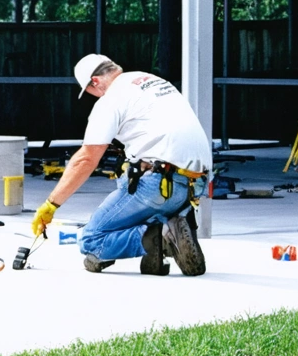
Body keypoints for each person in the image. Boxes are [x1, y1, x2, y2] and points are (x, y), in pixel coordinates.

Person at [31, 54, 210, 276]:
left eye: (88, 91)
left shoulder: (111, 99)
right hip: (196, 184)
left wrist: (51, 205)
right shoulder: (154, 81)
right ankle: (173, 225)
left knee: (91, 240)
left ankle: (160, 236)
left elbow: (86, 159)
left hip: (158, 185)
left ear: (95, 82)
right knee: (129, 174)